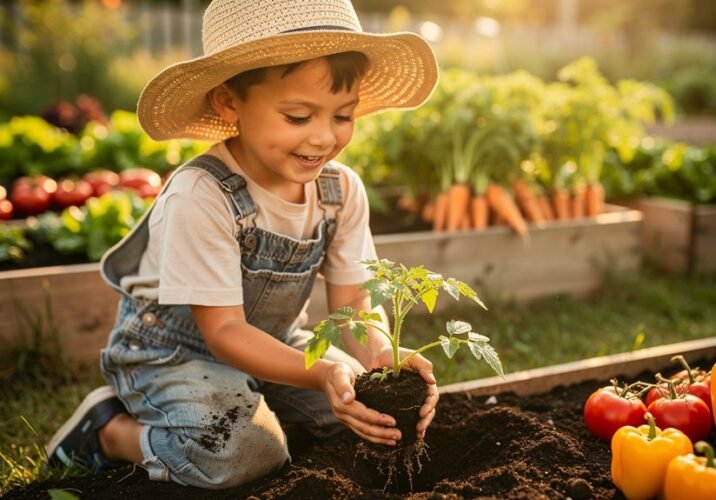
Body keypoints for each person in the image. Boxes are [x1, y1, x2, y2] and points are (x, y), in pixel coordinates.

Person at [45, 0, 440, 489]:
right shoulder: (202, 194)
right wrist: (318, 376)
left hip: (276, 343)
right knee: (245, 455)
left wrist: (380, 354)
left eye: (343, 115)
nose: (323, 138)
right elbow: (225, 331)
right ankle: (108, 430)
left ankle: (256, 404)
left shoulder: (340, 191)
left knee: (366, 404)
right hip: (175, 352)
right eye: (298, 116)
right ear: (228, 102)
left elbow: (355, 303)